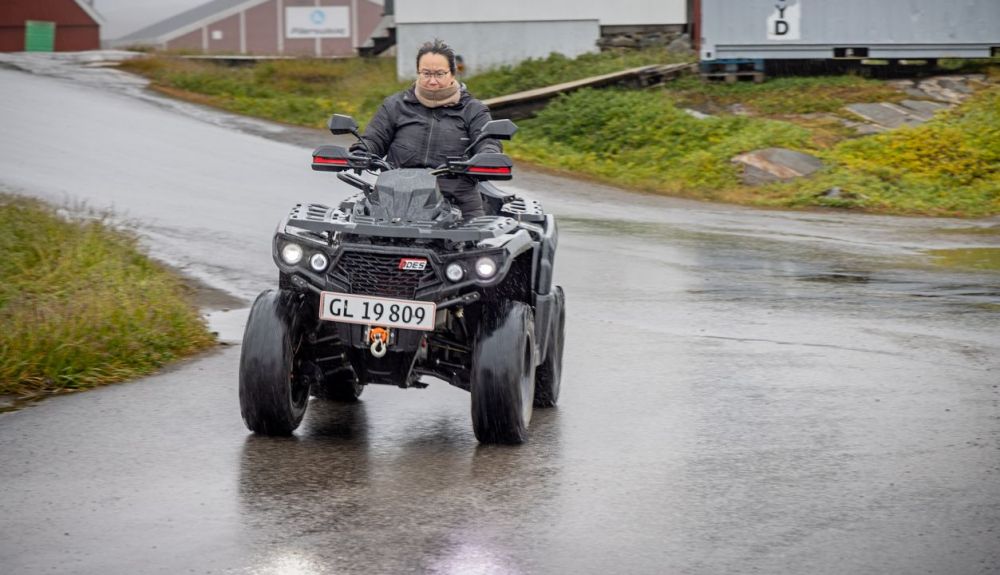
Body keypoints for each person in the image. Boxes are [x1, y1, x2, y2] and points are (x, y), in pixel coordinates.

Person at [351, 39, 500, 218]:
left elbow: (487, 140)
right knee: (352, 226)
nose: (432, 81)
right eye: (426, 73)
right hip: (395, 196)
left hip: (457, 197)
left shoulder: (473, 109)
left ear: (452, 74)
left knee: (480, 234)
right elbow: (374, 138)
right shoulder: (395, 105)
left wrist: (488, 155)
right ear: (418, 73)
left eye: (439, 74)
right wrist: (362, 151)